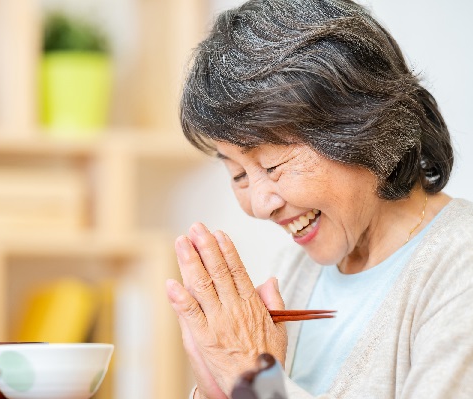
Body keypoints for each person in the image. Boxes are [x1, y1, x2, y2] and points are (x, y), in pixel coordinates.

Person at [164, 0, 473, 398]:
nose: (260, 205)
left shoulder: (460, 266)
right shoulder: (297, 271)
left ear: (361, 124)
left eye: (273, 164)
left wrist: (254, 380)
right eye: (238, 173)